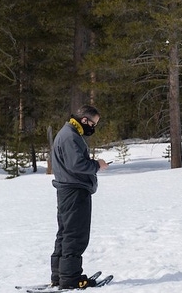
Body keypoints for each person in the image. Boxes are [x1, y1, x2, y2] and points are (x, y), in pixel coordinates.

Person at [50, 105, 108, 289]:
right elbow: (77, 164)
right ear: (84, 120)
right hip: (74, 190)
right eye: (93, 123)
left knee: (66, 233)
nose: (93, 127)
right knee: (75, 234)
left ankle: (60, 276)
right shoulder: (70, 136)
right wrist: (96, 165)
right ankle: (70, 278)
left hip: (69, 189)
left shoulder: (69, 134)